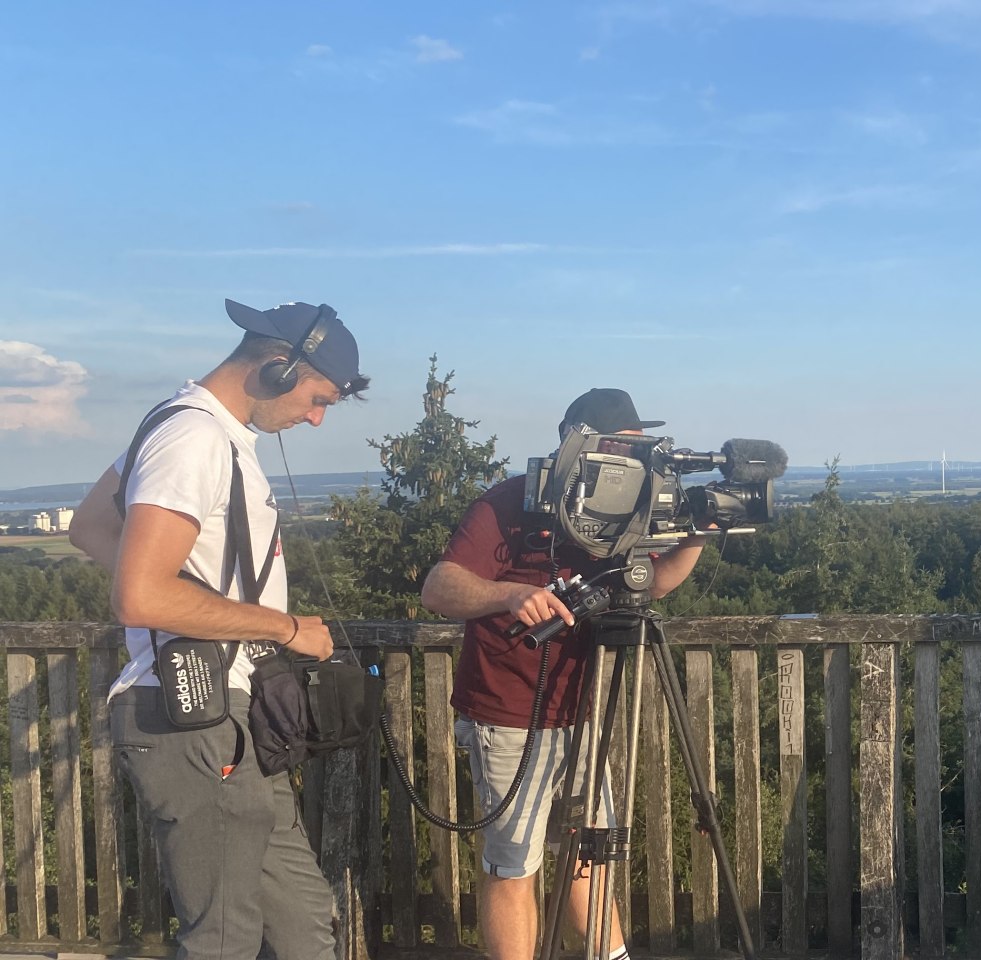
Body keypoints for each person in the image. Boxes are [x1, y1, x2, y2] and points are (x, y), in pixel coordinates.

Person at [73, 298, 368, 960]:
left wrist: (196, 592)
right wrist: (283, 627)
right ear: (278, 367)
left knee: (303, 921)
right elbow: (139, 593)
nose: (316, 418)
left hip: (233, 715)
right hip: (192, 717)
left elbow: (89, 525)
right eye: (317, 398)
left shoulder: (188, 427)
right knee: (223, 940)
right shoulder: (194, 438)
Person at [420, 387, 706, 960]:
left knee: (587, 853)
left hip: (581, 713)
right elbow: (438, 587)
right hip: (507, 713)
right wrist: (510, 593)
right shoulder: (508, 503)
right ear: (580, 444)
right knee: (514, 864)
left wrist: (699, 531)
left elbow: (654, 583)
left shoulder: (623, 514)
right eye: (617, 447)